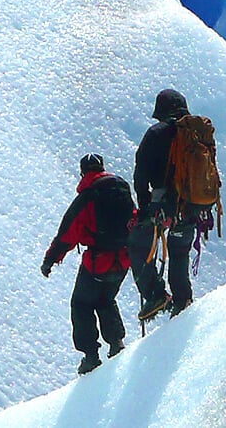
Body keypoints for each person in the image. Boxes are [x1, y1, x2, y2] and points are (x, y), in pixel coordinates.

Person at [41, 154, 135, 374]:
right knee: (106, 298)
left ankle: (91, 356)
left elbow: (67, 234)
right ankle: (116, 343)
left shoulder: (88, 196)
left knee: (81, 304)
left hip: (97, 262)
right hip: (123, 260)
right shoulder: (121, 189)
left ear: (83, 172)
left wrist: (50, 261)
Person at [130, 89, 204, 320]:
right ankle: (183, 301)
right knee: (180, 251)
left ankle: (156, 294)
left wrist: (144, 207)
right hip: (193, 203)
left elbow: (141, 174)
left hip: (162, 202)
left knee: (137, 245)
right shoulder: (197, 132)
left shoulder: (156, 133)